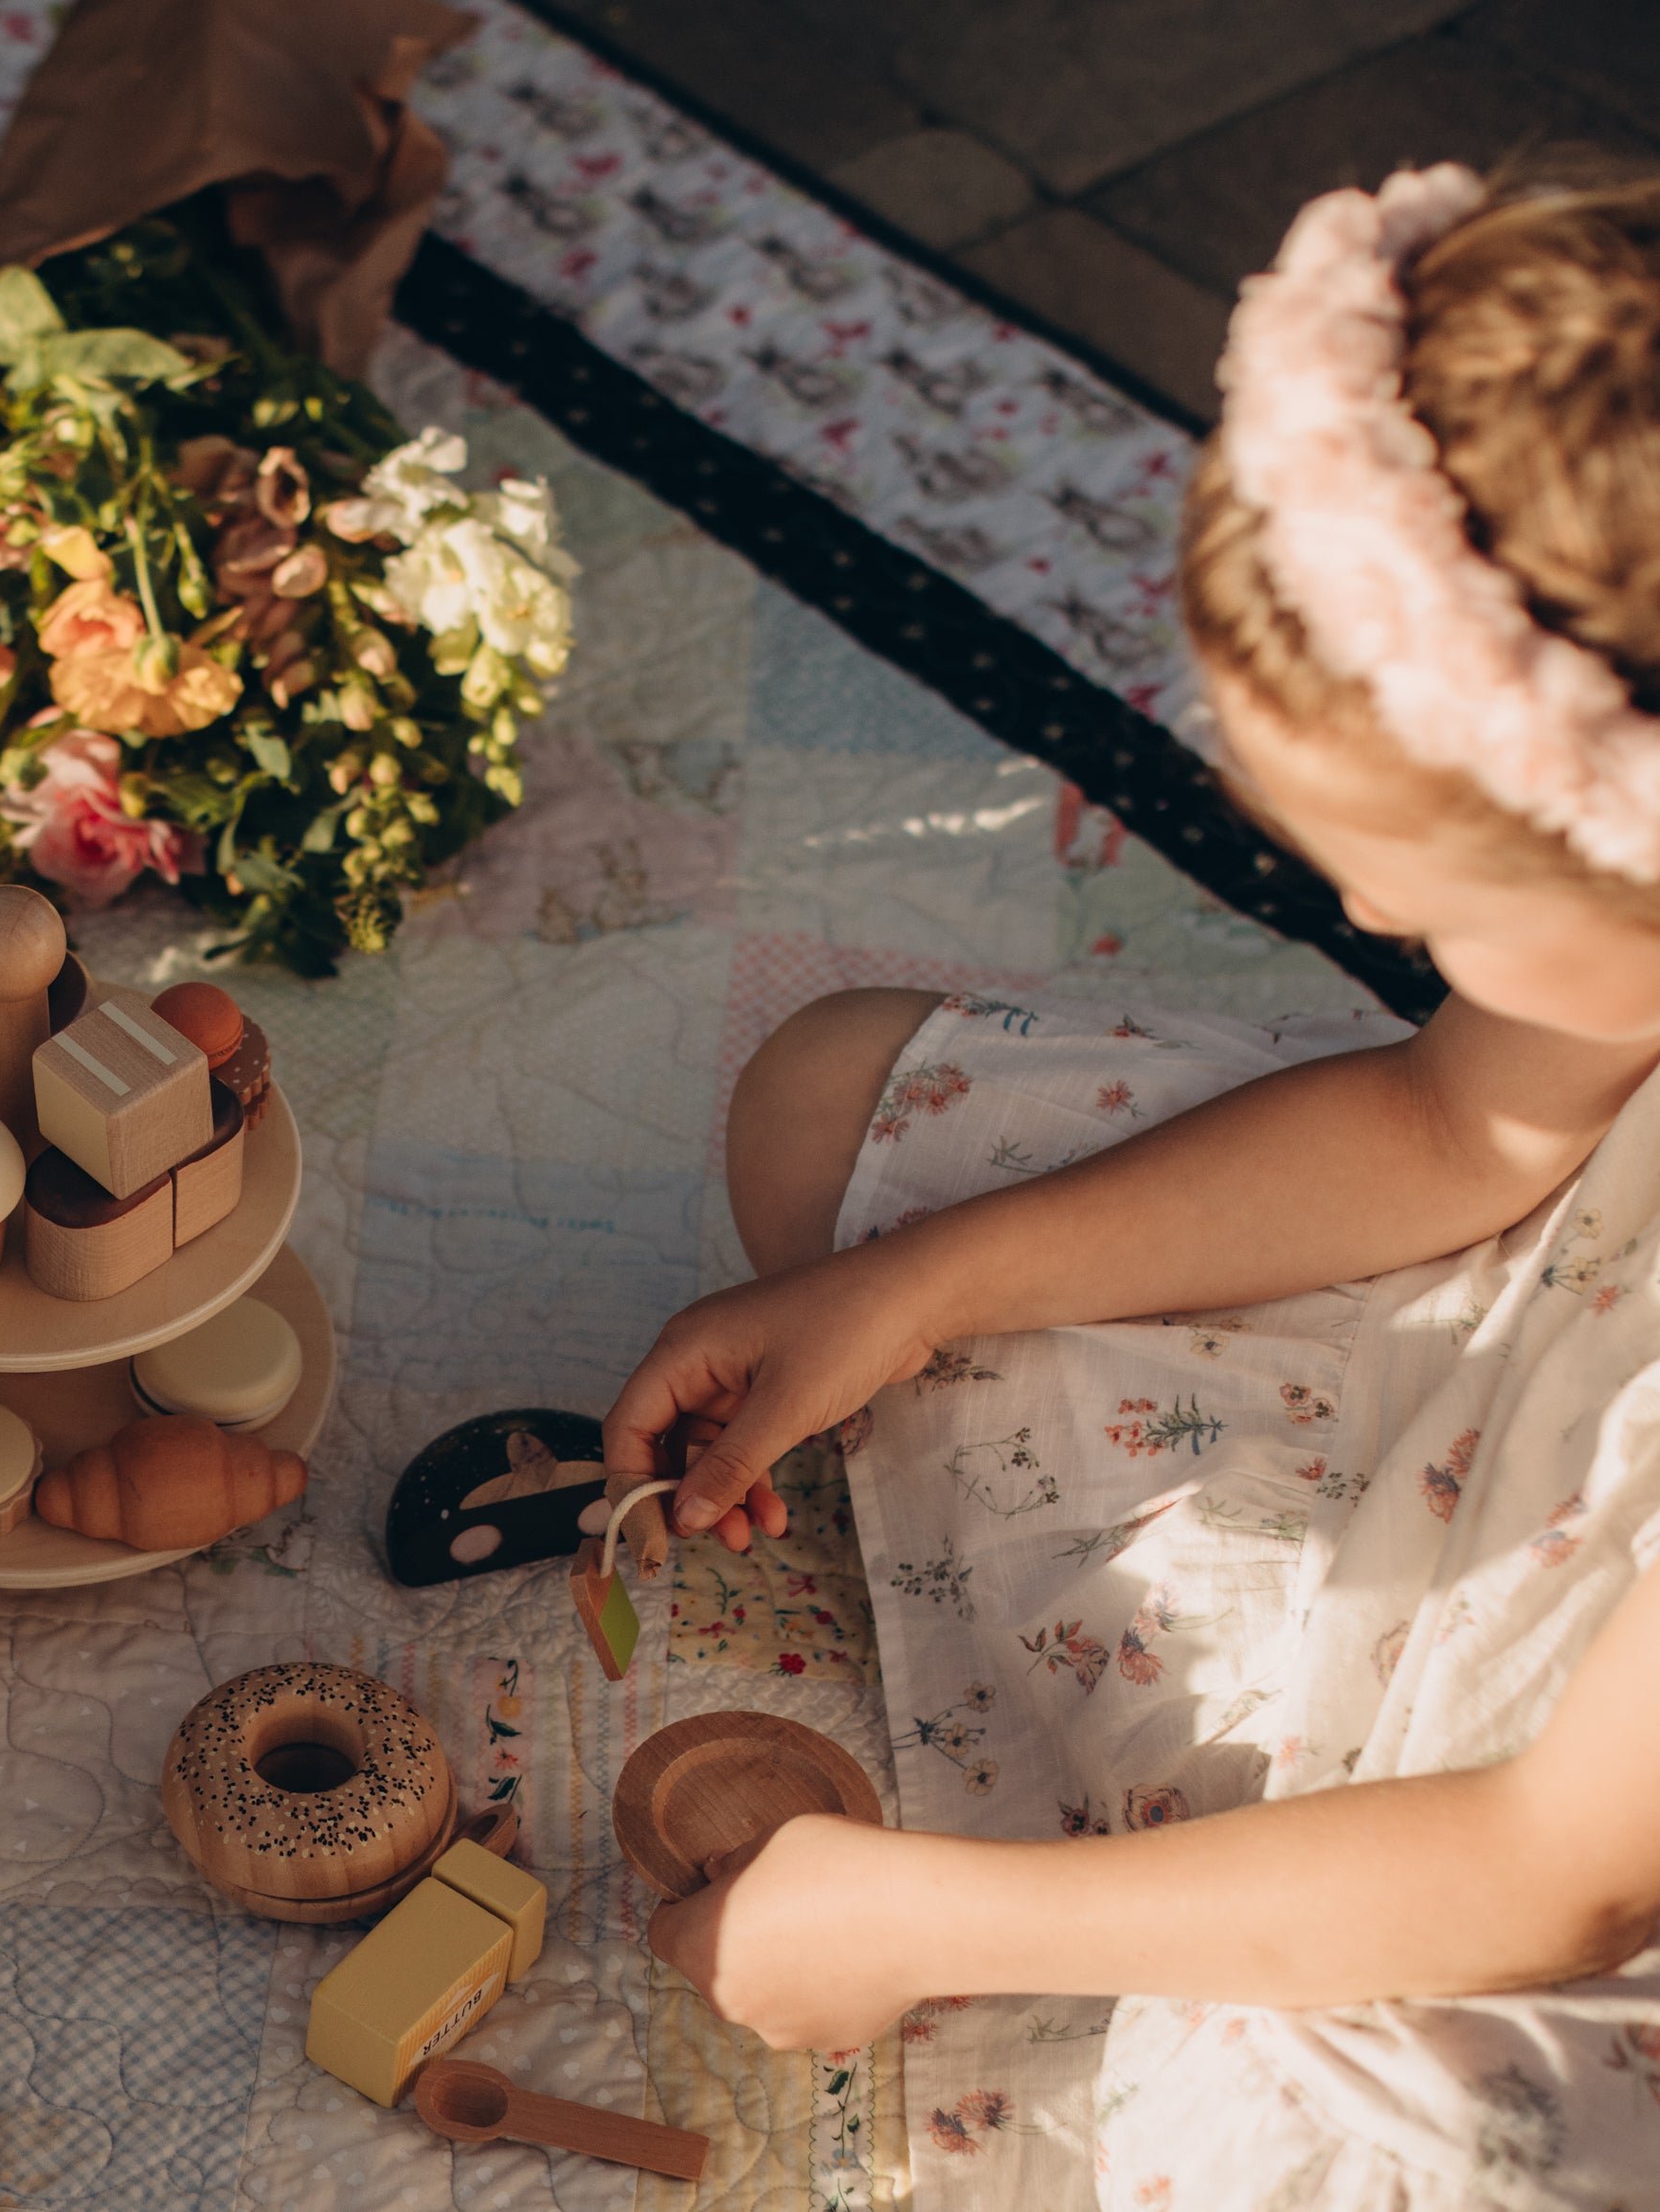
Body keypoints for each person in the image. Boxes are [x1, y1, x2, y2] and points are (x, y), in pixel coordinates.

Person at [608, 162, 1660, 2205]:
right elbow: (1463, 1129)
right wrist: (918, 1288)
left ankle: (1238, 1872)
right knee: (834, 1117)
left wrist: (925, 1919)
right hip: (1536, 1366)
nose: (1358, 907)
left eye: (1418, 890)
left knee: (1352, 2158)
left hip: (1574, 1826)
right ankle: (1243, 1829)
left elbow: (1551, 1869)